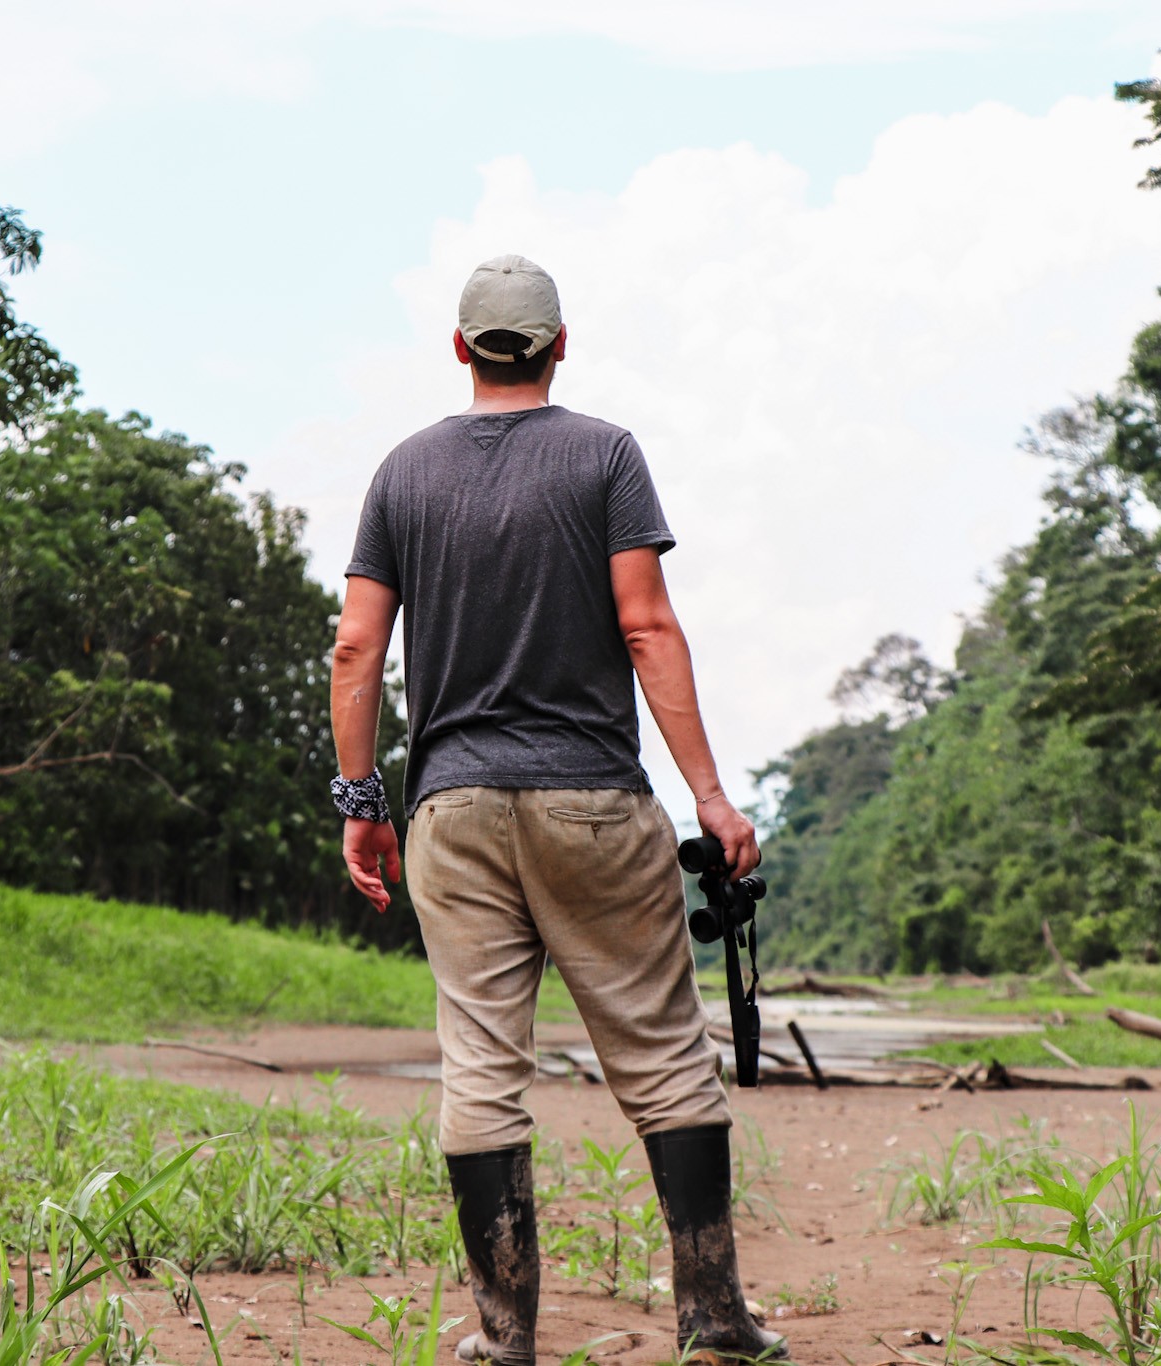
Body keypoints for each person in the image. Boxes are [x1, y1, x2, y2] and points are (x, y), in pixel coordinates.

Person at [329, 254, 785, 1365]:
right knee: (665, 1060)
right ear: (556, 345)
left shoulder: (401, 472)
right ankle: (714, 1320)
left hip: (452, 809)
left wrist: (361, 800)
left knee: (481, 1067)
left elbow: (354, 647)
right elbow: (646, 627)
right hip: (590, 798)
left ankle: (501, 1340)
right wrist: (710, 793)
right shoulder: (604, 455)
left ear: (459, 349)